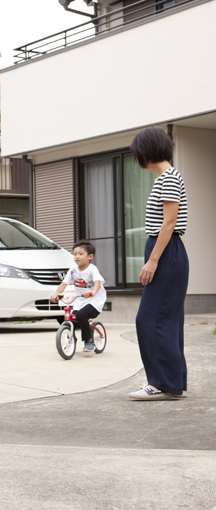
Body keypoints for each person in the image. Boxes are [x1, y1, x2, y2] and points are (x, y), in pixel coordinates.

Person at [128, 127, 189, 400]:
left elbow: (170, 222)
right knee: (167, 319)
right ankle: (172, 383)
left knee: (150, 319)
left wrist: (153, 260)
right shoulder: (165, 178)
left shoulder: (169, 178)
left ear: (146, 151)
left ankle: (161, 384)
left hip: (165, 251)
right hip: (165, 249)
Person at [50, 240, 107, 353]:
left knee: (81, 315)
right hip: (80, 301)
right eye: (75, 254)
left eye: (81, 254)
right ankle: (72, 339)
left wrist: (92, 293)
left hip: (95, 301)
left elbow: (97, 283)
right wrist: (56, 294)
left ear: (90, 256)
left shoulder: (92, 269)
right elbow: (64, 284)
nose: (77, 256)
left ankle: (89, 341)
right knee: (72, 320)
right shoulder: (73, 270)